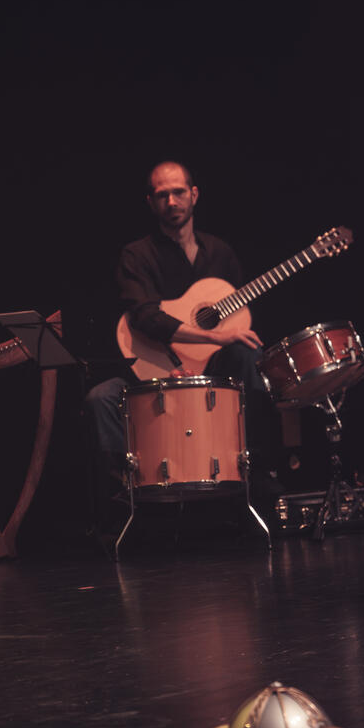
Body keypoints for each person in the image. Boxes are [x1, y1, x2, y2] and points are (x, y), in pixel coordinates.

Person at [85, 160, 279, 527]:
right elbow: (145, 317)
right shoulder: (136, 256)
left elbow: (236, 319)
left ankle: (257, 470)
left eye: (178, 192)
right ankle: (126, 494)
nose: (171, 201)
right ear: (150, 202)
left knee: (251, 354)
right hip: (150, 371)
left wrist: (216, 344)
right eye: (162, 195)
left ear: (194, 195)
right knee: (100, 398)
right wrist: (212, 336)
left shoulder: (219, 252)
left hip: (212, 373)